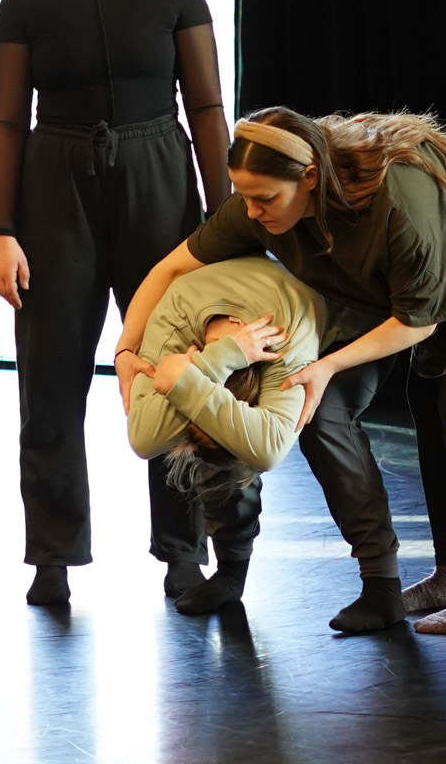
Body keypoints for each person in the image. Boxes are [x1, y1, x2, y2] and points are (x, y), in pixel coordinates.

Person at [118, 108, 446, 634]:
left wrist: (328, 364)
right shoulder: (262, 207)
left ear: (309, 177)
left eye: (265, 199)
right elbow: (171, 266)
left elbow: (417, 322)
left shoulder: (396, 201)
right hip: (430, 271)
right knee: (413, 403)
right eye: (242, 196)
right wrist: (125, 354)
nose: (250, 212)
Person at [0, 0, 233, 606]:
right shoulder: (25, 1)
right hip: (54, 187)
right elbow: (5, 122)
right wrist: (1, 229)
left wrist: (226, 218)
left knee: (174, 367)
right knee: (52, 374)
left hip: (159, 174)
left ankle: (183, 550)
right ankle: (53, 556)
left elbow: (209, 110)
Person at [123, 255, 331, 613]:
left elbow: (268, 450)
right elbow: (143, 439)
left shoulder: (288, 337)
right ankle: (229, 571)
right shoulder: (172, 322)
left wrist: (188, 377)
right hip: (200, 289)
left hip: (325, 299)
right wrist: (216, 360)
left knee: (242, 447)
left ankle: (233, 571)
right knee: (216, 440)